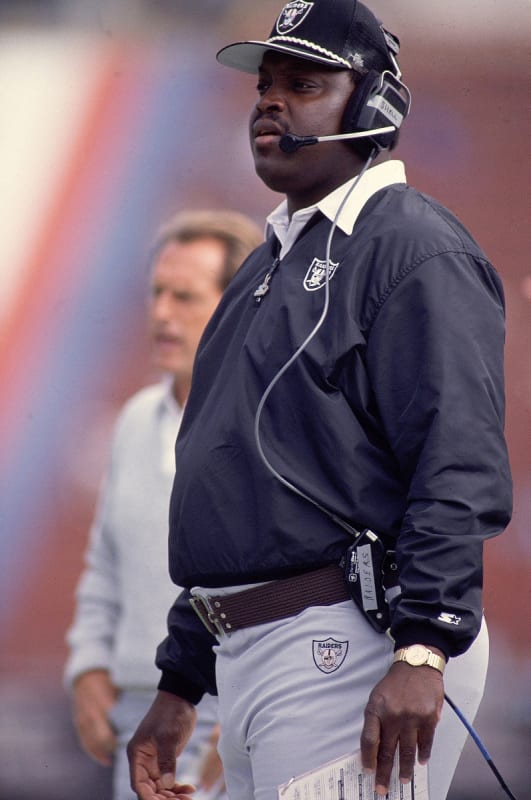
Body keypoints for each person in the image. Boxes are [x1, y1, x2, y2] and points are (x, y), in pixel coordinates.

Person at [127, 3, 513, 799]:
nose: (270, 101)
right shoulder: (265, 262)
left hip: (349, 641)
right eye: (264, 85)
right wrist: (182, 677)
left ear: (373, 103)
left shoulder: (412, 246)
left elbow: (457, 455)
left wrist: (422, 647)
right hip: (254, 650)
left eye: (303, 84)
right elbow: (231, 487)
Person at [64, 209, 263, 800]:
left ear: (235, 305)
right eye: (156, 293)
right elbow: (105, 563)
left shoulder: (270, 425)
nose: (161, 313)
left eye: (184, 296)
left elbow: (291, 578)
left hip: (236, 717)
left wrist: (255, 709)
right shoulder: (133, 421)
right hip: (138, 718)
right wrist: (87, 667)